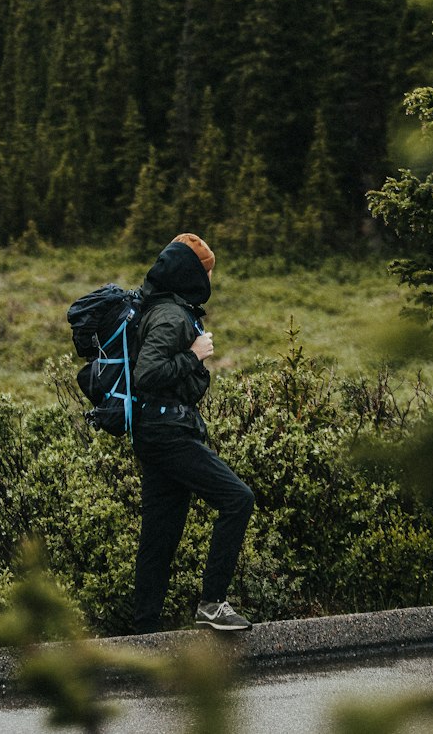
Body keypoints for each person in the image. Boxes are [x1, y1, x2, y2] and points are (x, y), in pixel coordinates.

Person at [131, 232, 255, 633]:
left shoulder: (162, 308)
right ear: (192, 274)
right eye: (207, 273)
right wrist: (193, 355)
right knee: (238, 498)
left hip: (155, 430)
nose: (210, 282)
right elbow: (146, 374)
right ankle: (213, 603)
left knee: (159, 539)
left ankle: (143, 633)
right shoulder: (170, 315)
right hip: (168, 433)